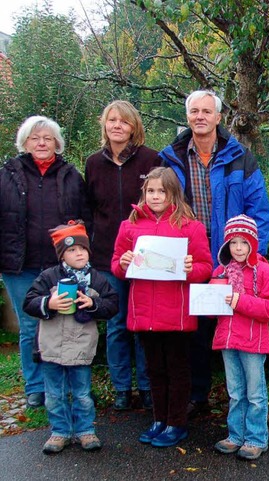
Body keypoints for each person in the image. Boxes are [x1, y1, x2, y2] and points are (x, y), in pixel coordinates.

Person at [159, 90, 269, 416]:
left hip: (227, 257)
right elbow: (157, 205)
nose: (200, 116)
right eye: (194, 111)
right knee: (191, 326)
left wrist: (254, 258)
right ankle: (197, 394)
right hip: (186, 255)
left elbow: (260, 211)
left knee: (229, 323)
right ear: (187, 116)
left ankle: (238, 396)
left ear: (219, 117)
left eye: (207, 111)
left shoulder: (240, 157)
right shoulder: (171, 158)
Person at [111, 167, 212, 448]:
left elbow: (205, 267)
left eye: (162, 191)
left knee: (178, 369)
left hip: (177, 312)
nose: (156, 197)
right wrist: (121, 264)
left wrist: (191, 269)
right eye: (151, 191)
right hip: (144, 311)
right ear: (144, 193)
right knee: (153, 369)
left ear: (173, 194)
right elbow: (117, 263)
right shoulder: (130, 225)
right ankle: (159, 419)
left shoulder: (191, 226)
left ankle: (176, 423)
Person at [0, 116, 92, 409]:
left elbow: (84, 215)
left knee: (64, 321)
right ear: (24, 142)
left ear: (57, 143)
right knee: (30, 325)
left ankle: (63, 382)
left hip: (60, 266)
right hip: (20, 264)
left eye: (47, 138)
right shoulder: (8, 174)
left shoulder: (70, 175)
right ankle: (36, 387)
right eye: (35, 138)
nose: (41, 143)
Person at [85, 100, 161, 411]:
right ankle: (121, 388)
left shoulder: (150, 159)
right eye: (111, 120)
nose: (117, 125)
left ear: (134, 127)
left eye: (124, 121)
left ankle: (146, 386)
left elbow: (161, 203)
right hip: (107, 257)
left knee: (142, 323)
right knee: (116, 325)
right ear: (104, 125)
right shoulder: (92, 163)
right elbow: (88, 210)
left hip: (145, 256)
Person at [22, 220, 118, 454]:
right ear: (61, 256)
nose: (79, 253)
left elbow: (112, 304)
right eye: (72, 250)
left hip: (81, 348)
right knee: (54, 394)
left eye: (83, 249)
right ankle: (60, 431)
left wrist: (93, 303)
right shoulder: (48, 277)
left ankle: (85, 430)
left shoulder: (95, 279)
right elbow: (29, 303)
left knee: (83, 394)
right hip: (51, 347)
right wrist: (49, 302)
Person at [211, 215, 269, 460]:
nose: (239, 248)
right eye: (233, 243)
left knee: (255, 394)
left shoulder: (263, 271)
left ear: (253, 243)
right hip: (227, 340)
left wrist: (239, 301)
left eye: (244, 242)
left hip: (253, 342)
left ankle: (255, 439)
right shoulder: (220, 271)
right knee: (235, 392)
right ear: (226, 246)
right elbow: (210, 304)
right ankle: (235, 436)